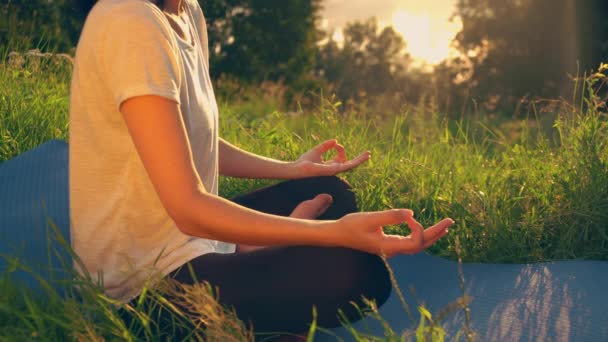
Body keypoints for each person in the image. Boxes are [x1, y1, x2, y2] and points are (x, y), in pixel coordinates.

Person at [69, 0, 454, 339]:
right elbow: (188, 210)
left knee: (330, 193)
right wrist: (327, 233)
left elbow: (186, 137)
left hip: (197, 243)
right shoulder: (129, 20)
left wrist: (292, 170)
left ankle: (250, 277)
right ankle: (253, 294)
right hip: (142, 290)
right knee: (355, 274)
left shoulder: (186, 12)